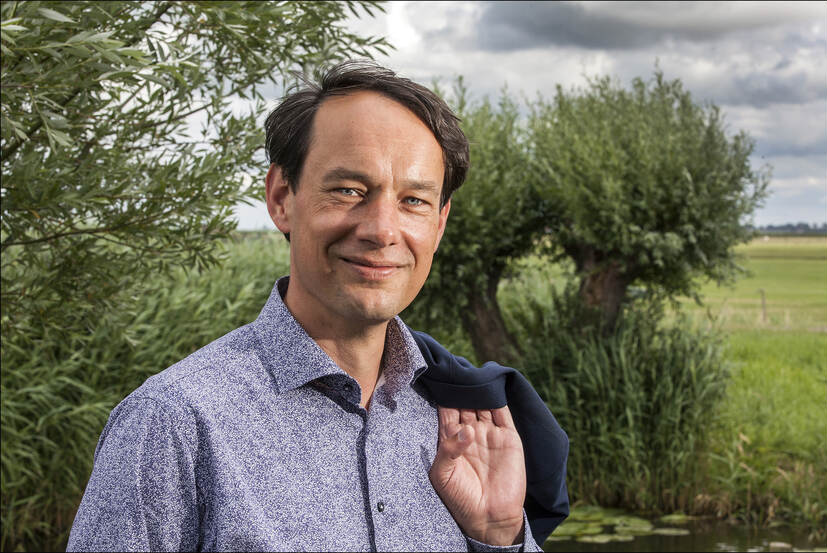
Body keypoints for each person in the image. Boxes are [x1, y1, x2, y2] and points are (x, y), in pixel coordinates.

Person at [67, 61, 558, 552]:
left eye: (414, 200)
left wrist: (497, 536)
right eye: (349, 191)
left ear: (440, 224)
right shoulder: (172, 424)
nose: (383, 230)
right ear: (282, 197)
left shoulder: (458, 419)